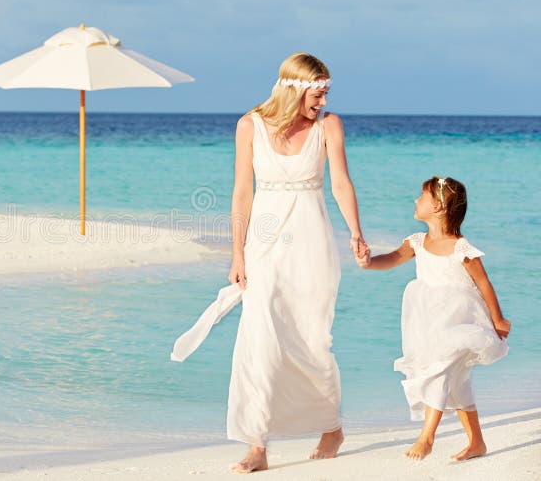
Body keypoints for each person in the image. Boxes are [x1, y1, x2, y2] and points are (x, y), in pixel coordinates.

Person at [170, 52, 367, 473]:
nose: (323, 100)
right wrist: (236, 252)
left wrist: (356, 232)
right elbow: (242, 191)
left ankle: (331, 427)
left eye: (326, 92)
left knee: (314, 339)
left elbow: (340, 182)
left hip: (312, 243)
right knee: (258, 337)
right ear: (294, 87)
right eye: (318, 92)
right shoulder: (250, 125)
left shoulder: (328, 126)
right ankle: (256, 443)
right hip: (264, 242)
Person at [356, 176, 510, 461]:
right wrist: (368, 262)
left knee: (439, 369)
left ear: (438, 207)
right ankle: (477, 442)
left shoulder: (461, 248)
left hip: (460, 319)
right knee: (458, 380)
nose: (416, 200)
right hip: (428, 319)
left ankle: (426, 437)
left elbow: (484, 283)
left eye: (422, 197)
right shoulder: (417, 242)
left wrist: (497, 319)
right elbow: (390, 259)